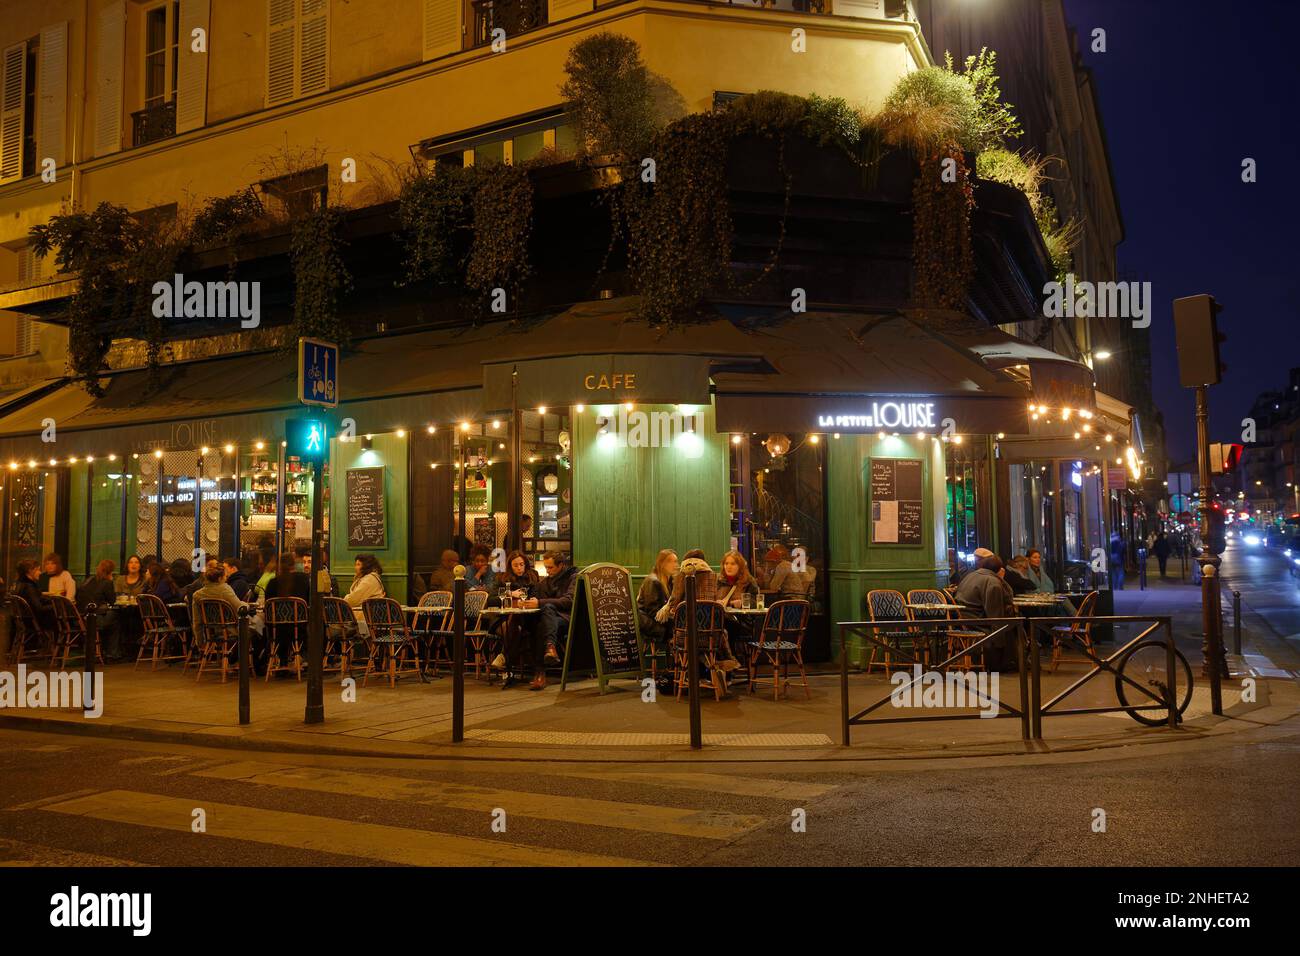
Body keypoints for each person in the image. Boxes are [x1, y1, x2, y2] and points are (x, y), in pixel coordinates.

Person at [517, 551, 578, 691]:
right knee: (537, 622)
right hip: (548, 621)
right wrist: (526, 602)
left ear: (561, 565)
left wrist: (539, 603)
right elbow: (534, 597)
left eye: (550, 567)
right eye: (546, 567)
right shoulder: (544, 582)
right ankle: (550, 648)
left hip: (566, 618)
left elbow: (569, 601)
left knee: (547, 610)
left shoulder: (573, 577)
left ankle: (539, 673)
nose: (547, 570)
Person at [953, 554, 1016, 671]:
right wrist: (1001, 579)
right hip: (978, 623)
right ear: (998, 569)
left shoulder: (970, 575)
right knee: (1013, 625)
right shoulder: (992, 581)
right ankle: (1006, 664)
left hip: (962, 619)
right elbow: (995, 614)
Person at [492, 550, 540, 686]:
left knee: (516, 624)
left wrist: (524, 602)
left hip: (528, 619)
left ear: (526, 564)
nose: (519, 568)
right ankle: (506, 663)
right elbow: (490, 599)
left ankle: (504, 658)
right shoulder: (502, 578)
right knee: (514, 624)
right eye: (515, 565)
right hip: (503, 619)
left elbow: (536, 596)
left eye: (521, 564)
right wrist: (510, 594)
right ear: (510, 566)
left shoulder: (532, 576)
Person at [637, 549, 677, 659]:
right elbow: (652, 611)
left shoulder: (668, 581)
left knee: (683, 627)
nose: (674, 565)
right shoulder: (653, 581)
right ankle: (677, 666)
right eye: (670, 561)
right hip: (649, 624)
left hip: (657, 621)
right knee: (681, 630)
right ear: (662, 563)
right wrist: (671, 617)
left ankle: (676, 666)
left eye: (675, 561)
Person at [343, 554, 386, 633]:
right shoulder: (364, 578)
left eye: (358, 564)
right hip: (366, 617)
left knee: (337, 619)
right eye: (355, 564)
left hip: (368, 619)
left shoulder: (369, 579)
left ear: (366, 566)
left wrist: (346, 597)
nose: (355, 567)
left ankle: (360, 640)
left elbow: (352, 600)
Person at [12, 559, 56, 636]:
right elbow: (39, 608)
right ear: (30, 571)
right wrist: (55, 606)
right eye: (38, 570)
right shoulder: (29, 587)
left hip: (23, 620)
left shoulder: (19, 584)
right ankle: (59, 644)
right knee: (61, 617)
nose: (40, 573)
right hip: (33, 621)